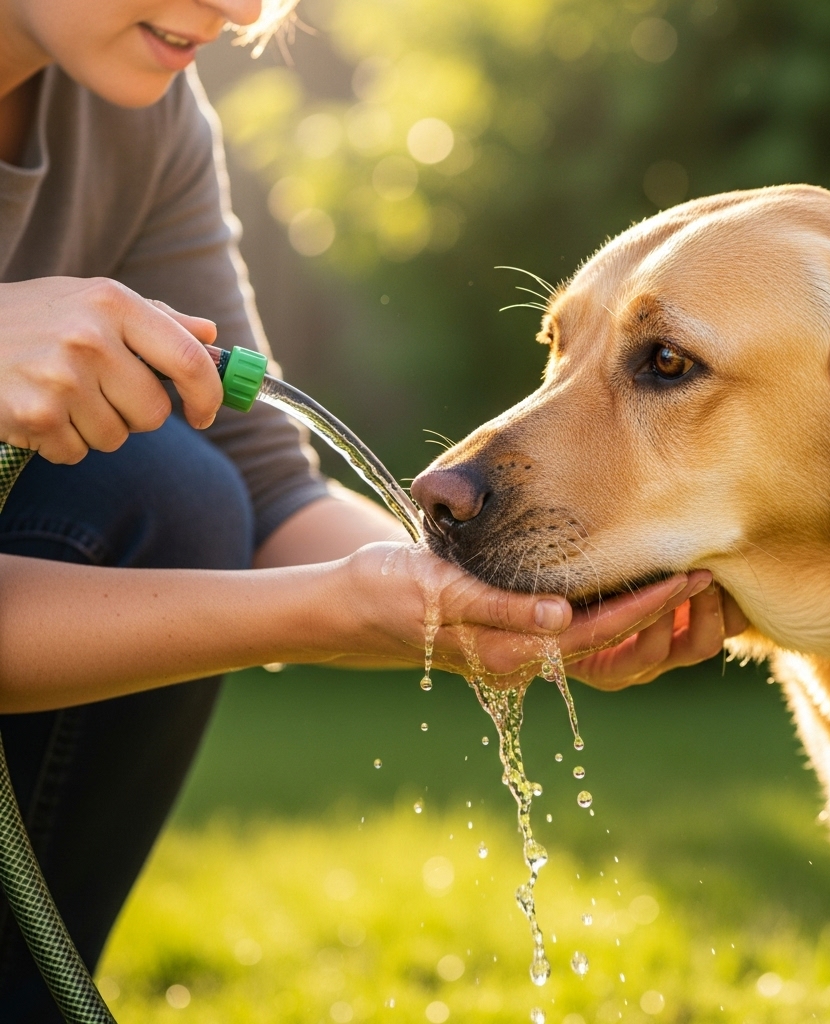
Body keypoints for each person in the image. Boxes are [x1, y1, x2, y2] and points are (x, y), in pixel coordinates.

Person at [0, 0, 745, 1017]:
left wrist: (484, 594)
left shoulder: (144, 121)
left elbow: (268, 494)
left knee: (171, 489)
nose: (239, 9)